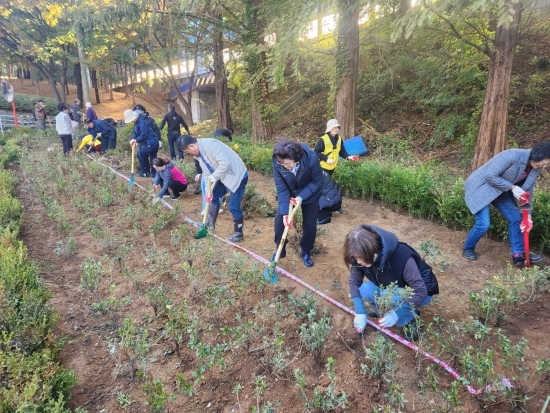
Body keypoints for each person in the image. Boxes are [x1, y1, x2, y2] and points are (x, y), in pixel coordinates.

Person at [344, 224, 439, 341]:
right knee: (366, 289)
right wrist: (360, 312)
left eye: (361, 258)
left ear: (374, 250)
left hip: (421, 292)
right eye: (356, 258)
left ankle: (410, 319)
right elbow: (354, 282)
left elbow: (421, 291)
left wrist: (396, 314)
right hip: (391, 289)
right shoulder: (360, 258)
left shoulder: (402, 257)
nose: (359, 262)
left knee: (388, 296)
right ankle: (385, 313)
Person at [463, 142, 550, 265]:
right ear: (538, 155)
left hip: (501, 191)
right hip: (482, 188)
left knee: (515, 218)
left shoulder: (536, 167)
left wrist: (528, 216)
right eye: (544, 162)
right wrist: (513, 187)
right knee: (484, 224)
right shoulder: (511, 155)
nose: (543, 166)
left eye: (546, 164)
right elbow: (490, 175)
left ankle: (518, 254)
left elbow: (528, 190)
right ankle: (468, 248)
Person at [177, 135, 248, 242]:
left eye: (188, 151)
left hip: (237, 176)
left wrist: (213, 177)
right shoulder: (199, 155)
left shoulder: (210, 145)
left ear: (191, 146)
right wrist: (208, 190)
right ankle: (210, 224)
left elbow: (225, 163)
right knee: (213, 197)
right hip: (222, 177)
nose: (189, 154)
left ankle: (238, 233)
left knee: (233, 206)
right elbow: (206, 173)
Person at [272, 139, 323, 267]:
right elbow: (281, 187)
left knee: (310, 226)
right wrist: (285, 213)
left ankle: (306, 250)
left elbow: (317, 182)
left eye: (288, 164)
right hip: (289, 193)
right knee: (279, 223)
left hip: (310, 194)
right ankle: (280, 250)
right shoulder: (277, 162)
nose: (284, 166)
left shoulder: (311, 159)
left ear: (296, 159)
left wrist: (301, 197)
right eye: (282, 163)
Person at [314, 118, 359, 214]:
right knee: (331, 188)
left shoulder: (339, 140)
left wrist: (349, 157)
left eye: (337, 127)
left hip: (332, 168)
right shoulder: (323, 140)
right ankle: (331, 207)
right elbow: (316, 153)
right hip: (322, 168)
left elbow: (342, 152)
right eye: (334, 127)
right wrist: (326, 159)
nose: (336, 129)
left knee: (328, 188)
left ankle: (328, 206)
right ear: (329, 129)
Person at [125, 109, 160, 178]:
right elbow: (135, 132)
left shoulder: (142, 122)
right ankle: (153, 173)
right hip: (150, 143)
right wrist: (133, 138)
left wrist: (136, 140)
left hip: (152, 143)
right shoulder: (136, 123)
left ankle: (146, 172)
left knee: (140, 154)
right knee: (151, 158)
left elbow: (144, 134)